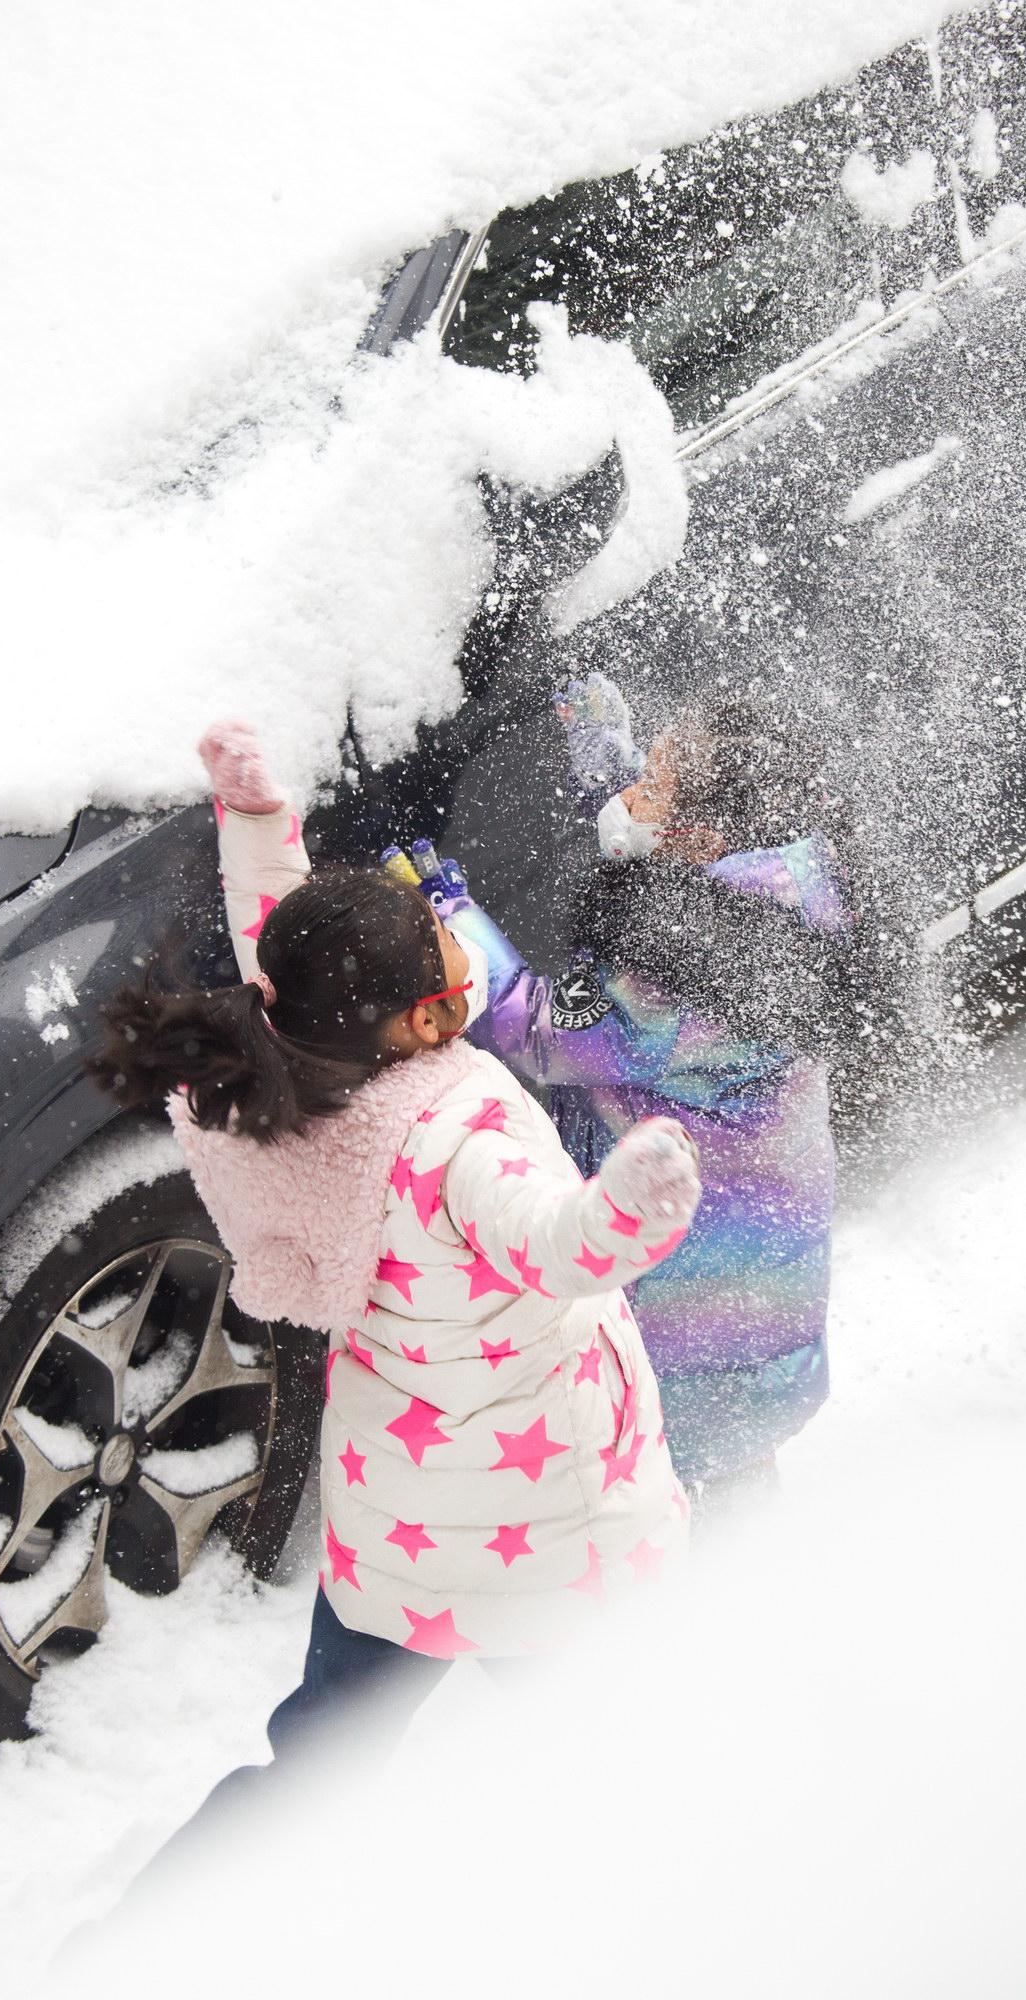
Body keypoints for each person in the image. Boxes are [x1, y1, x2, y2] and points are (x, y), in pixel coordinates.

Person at [85, 720, 698, 1848]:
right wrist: (628, 1209)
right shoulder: (458, 1138)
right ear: (431, 1017)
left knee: (318, 1763)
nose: (448, 927)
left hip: (401, 1523)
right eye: (436, 937)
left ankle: (179, 1931)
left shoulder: (299, 1075)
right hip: (543, 1527)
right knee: (629, 1763)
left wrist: (258, 821)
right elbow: (554, 1244)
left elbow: (282, 939)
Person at [404, 676, 871, 1505]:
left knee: (677, 1496)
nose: (627, 796)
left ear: (701, 834)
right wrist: (606, 758)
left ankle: (695, 1622)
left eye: (648, 783)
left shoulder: (688, 981)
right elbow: (652, 842)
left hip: (693, 1322)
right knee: (735, 1469)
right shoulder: (778, 891)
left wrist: (452, 916)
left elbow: (541, 1030)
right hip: (756, 1290)